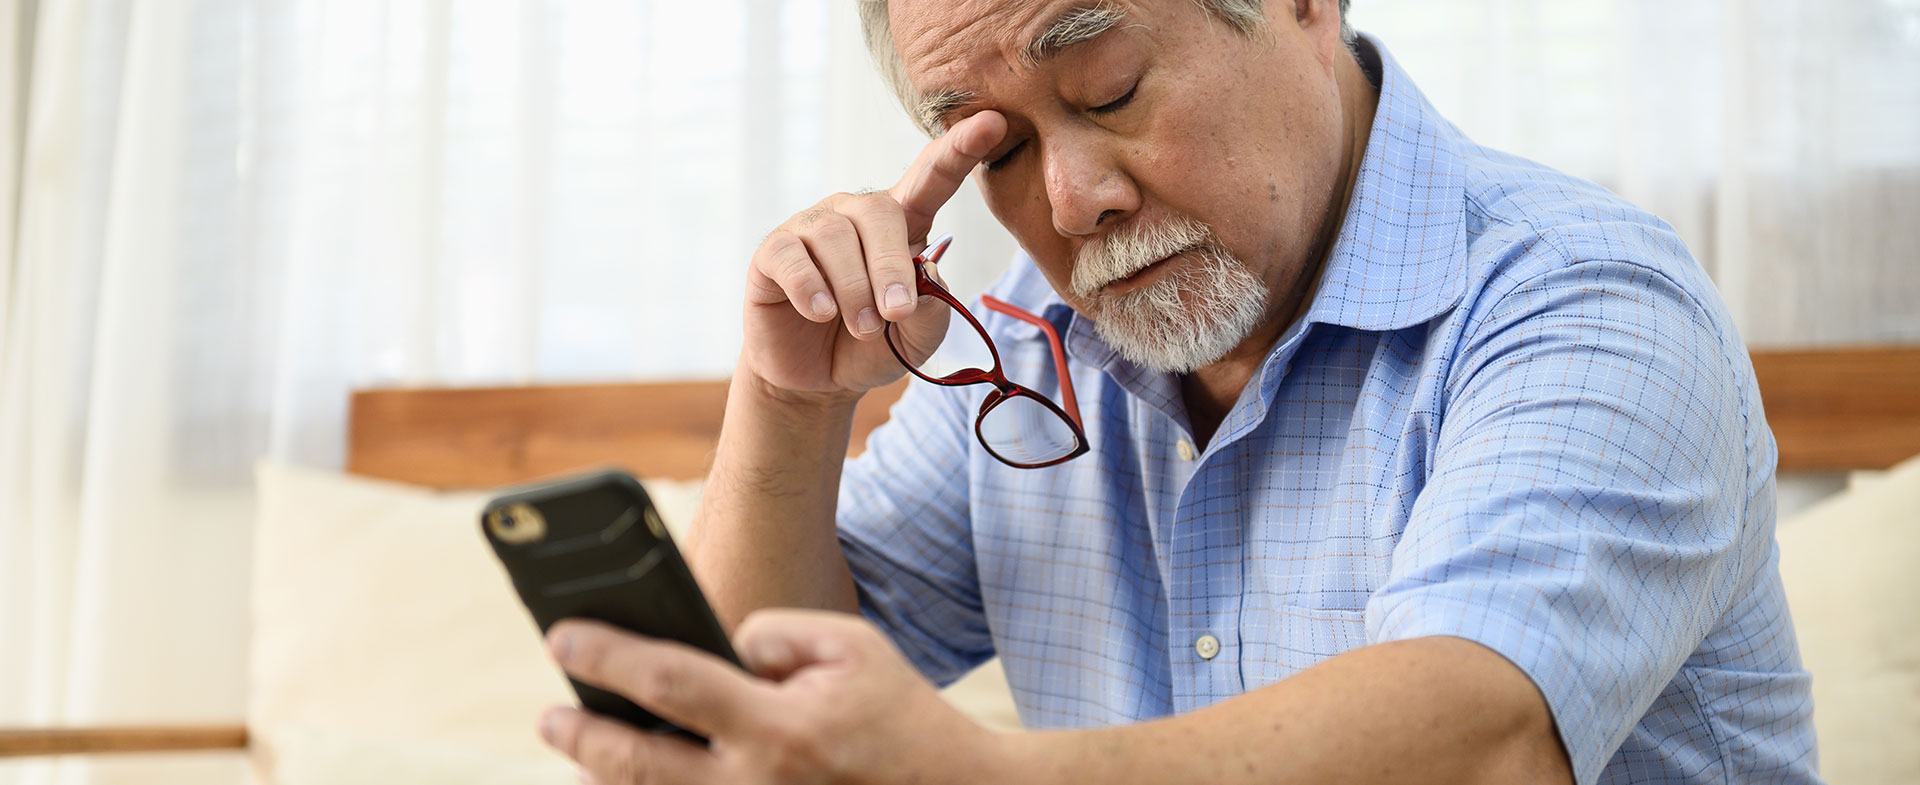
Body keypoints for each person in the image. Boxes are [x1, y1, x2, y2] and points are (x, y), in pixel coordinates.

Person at [535, 1, 1819, 782]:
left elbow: (1479, 742)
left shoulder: (1586, 300)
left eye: (1110, 91)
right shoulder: (1029, 352)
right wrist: (788, 401)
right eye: (1004, 146)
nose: (1072, 197)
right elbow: (726, 723)